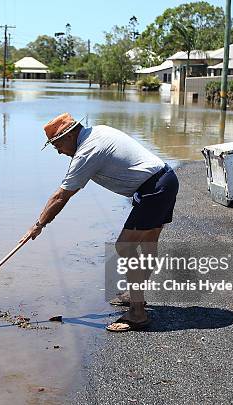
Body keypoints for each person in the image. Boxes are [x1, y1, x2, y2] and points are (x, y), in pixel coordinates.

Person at [20, 113, 179, 332]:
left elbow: (61, 196)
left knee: (125, 246)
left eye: (57, 145)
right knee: (148, 242)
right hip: (164, 179)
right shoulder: (98, 131)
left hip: (154, 188)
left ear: (69, 136)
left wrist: (38, 225)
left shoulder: (87, 151)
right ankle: (136, 296)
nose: (58, 151)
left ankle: (138, 313)